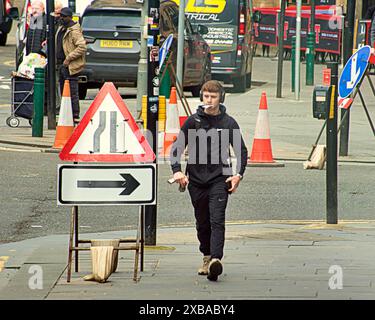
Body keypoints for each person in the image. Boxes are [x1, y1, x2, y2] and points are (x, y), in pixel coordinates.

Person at [170, 80, 248, 281]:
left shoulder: (228, 123)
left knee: (217, 220)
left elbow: (242, 151)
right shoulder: (193, 121)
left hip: (220, 179)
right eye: (206, 96)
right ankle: (206, 256)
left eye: (213, 97)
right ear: (201, 97)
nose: (209, 100)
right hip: (195, 180)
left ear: (220, 98)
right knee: (202, 223)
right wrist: (177, 171)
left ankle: (216, 260)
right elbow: (176, 147)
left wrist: (238, 174)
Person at [55, 7, 86, 123]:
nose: (61, 18)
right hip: (62, 65)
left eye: (63, 16)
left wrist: (68, 58)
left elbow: (82, 47)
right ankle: (67, 114)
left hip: (70, 66)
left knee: (71, 92)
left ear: (69, 17)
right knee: (64, 91)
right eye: (60, 16)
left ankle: (74, 114)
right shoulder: (63, 28)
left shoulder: (74, 31)